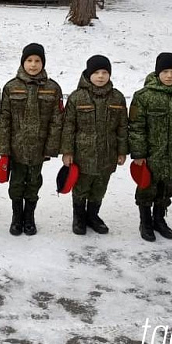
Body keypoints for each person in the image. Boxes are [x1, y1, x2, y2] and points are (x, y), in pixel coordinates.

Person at [129, 53, 172, 241]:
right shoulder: (143, 97)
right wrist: (139, 153)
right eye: (165, 71)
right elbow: (136, 127)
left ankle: (159, 220)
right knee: (147, 189)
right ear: (157, 72)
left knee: (167, 190)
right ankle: (145, 222)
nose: (169, 76)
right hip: (151, 155)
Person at [0, 43, 64, 236]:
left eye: (37, 61)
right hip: (17, 148)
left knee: (34, 183)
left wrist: (50, 147)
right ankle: (17, 217)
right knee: (16, 183)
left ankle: (29, 217)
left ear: (43, 63)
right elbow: (4, 119)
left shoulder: (52, 88)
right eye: (29, 60)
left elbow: (57, 120)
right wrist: (3, 149)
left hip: (39, 148)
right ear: (23, 62)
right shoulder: (11, 87)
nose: (33, 65)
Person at [60, 55, 128, 235]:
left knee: (99, 188)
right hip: (83, 155)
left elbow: (122, 127)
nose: (100, 76)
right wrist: (67, 151)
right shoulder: (77, 97)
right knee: (81, 187)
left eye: (105, 72)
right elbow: (68, 127)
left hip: (108, 154)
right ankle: (79, 218)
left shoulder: (117, 98)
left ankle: (93, 216)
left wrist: (122, 151)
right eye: (96, 72)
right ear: (88, 74)